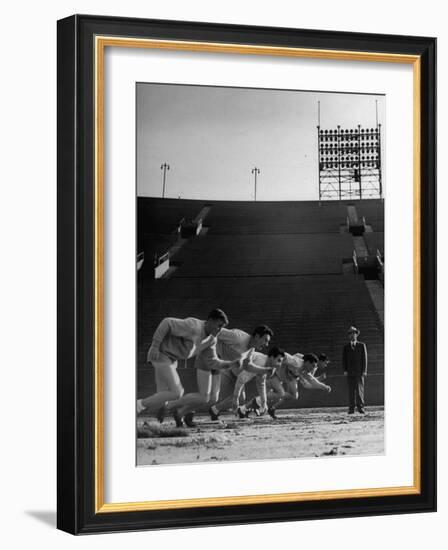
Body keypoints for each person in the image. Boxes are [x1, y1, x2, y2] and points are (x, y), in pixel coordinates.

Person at [164, 324, 274, 426]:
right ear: (257, 336)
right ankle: (169, 406)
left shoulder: (251, 350)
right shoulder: (238, 337)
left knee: (212, 399)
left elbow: (248, 366)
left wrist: (264, 370)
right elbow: (215, 331)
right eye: (265, 340)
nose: (266, 344)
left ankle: (181, 411)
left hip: (219, 364)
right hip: (208, 358)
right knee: (205, 397)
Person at [136, 309, 229, 418]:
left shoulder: (212, 340)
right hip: (161, 355)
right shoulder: (193, 327)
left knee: (163, 400)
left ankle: (149, 423)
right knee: (177, 392)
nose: (219, 330)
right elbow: (167, 322)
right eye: (219, 326)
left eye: (222, 327)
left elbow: (212, 361)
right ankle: (138, 405)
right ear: (210, 320)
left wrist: (230, 363)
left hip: (172, 361)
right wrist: (155, 345)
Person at [251, 352, 331, 418]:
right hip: (279, 374)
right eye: (312, 366)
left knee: (291, 395)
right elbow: (285, 356)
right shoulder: (297, 362)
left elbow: (311, 380)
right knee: (281, 393)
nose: (313, 368)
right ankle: (260, 401)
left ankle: (261, 403)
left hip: (291, 377)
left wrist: (323, 386)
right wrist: (280, 367)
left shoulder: (307, 368)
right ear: (307, 362)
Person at [342, 326, 368, 414]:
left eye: (354, 333)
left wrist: (364, 370)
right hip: (349, 372)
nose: (352, 335)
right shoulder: (346, 347)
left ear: (357, 334)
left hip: (359, 371)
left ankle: (361, 408)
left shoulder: (362, 345)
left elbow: (364, 359)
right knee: (351, 390)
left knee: (360, 390)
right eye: (350, 333)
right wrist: (345, 370)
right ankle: (351, 408)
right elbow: (344, 359)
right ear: (348, 336)